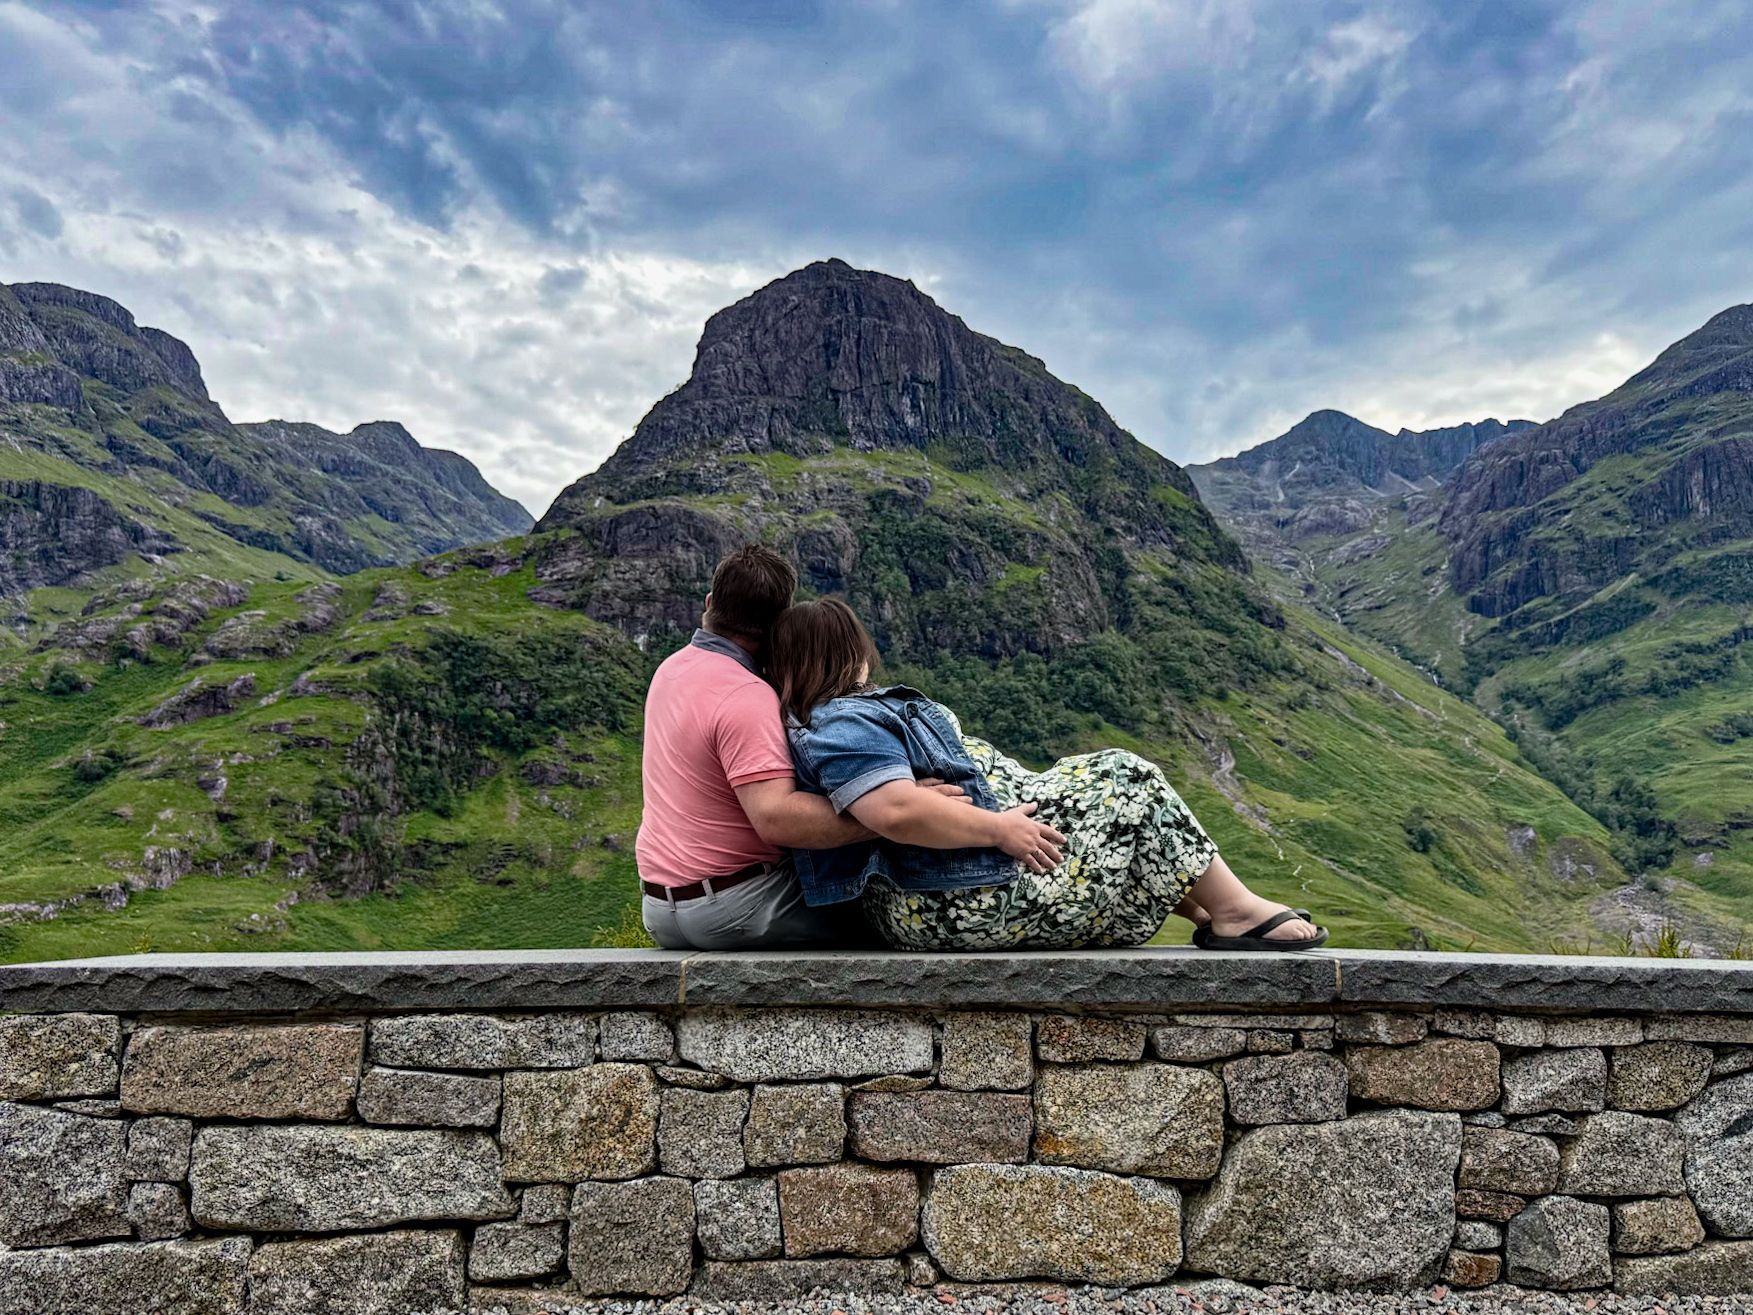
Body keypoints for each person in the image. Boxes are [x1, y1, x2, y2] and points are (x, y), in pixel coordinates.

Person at [765, 596, 1328, 951]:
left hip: (952, 887)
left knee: (1101, 797)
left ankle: (1206, 904)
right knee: (1127, 777)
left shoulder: (833, 719)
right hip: (953, 900)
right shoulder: (841, 719)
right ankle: (1233, 912)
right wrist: (999, 830)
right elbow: (893, 810)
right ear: (845, 654)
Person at [635, 545, 965, 949]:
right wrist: (895, 811)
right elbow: (777, 818)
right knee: (908, 911)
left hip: (660, 910)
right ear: (778, 624)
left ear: (710, 603)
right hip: (737, 908)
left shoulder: (671, 669)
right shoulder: (746, 696)